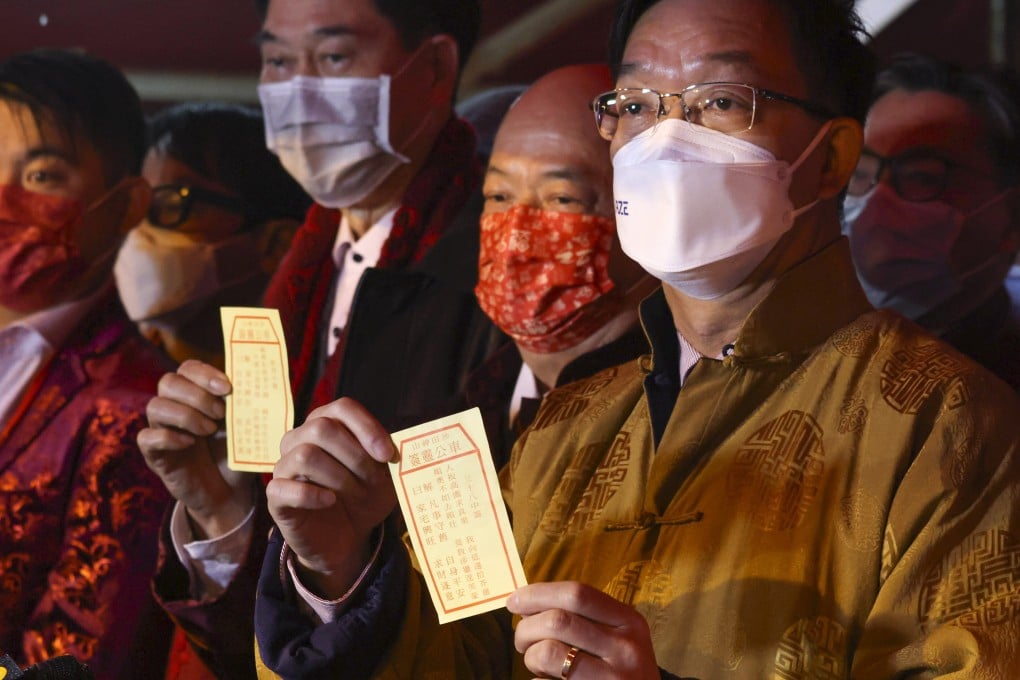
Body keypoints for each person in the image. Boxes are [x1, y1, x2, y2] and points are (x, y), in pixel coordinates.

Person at [253, 0, 1020, 678]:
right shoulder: (565, 426)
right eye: (638, 104)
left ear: (832, 159)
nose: (667, 141)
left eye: (721, 101)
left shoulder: (952, 429)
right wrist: (340, 573)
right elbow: (459, 657)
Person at [139, 1, 495, 678]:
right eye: (278, 60)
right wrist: (219, 511)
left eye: (333, 57)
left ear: (435, 67)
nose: (298, 91)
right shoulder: (299, 276)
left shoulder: (484, 276)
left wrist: (346, 565)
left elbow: (477, 589)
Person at [0, 49, 174, 678]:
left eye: (41, 175)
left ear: (126, 205)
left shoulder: (135, 404)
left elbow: (77, 656)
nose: (3, 198)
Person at [466, 63, 655, 468]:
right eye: (499, 196)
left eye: (562, 199)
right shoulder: (469, 403)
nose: (515, 238)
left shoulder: (673, 416)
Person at [843, 54, 1020, 390]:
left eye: (922, 177)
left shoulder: (1001, 399)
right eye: (860, 173)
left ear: (1013, 216)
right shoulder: (799, 343)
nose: (876, 204)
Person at [114, 102, 310, 368]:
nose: (139, 230)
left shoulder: (321, 373)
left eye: (172, 204)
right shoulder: (103, 372)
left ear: (277, 244)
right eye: (136, 204)